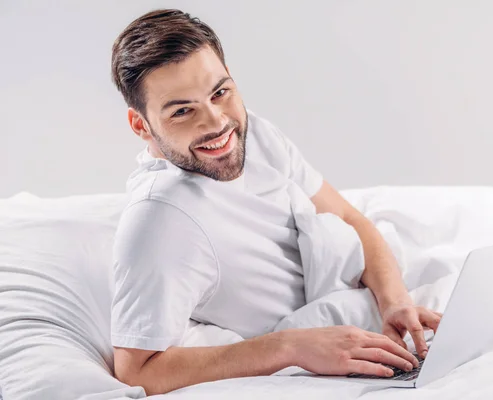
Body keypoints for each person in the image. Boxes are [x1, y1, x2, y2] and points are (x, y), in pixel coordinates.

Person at [110, 8, 442, 396]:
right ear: (141, 125)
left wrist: (395, 302)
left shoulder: (254, 133)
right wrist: (292, 347)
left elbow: (348, 217)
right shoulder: (159, 220)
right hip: (311, 340)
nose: (217, 123)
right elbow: (136, 370)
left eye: (221, 92)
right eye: (182, 111)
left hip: (361, 309)